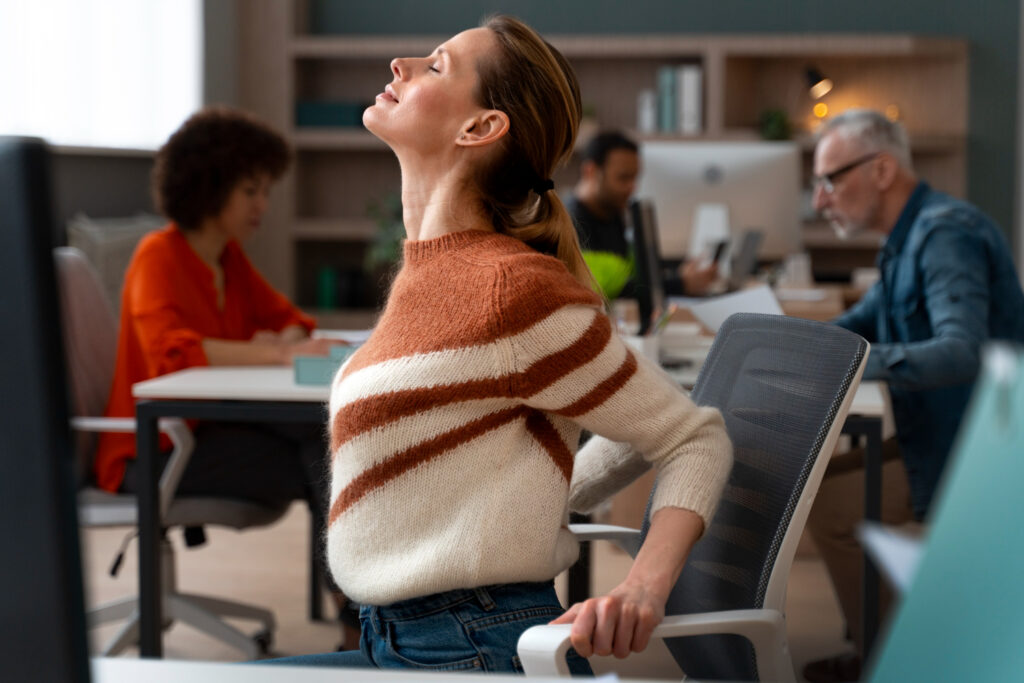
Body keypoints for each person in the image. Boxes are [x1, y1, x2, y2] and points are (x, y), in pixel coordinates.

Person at [267, 15, 733, 673]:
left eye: (436, 66)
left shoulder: (510, 289)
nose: (400, 64)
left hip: (469, 644)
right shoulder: (428, 270)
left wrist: (643, 586)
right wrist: (530, 499)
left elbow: (691, 436)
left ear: (480, 127)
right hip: (394, 637)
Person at [94, 106, 360, 647]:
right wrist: (275, 354)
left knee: (324, 441)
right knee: (325, 449)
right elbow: (173, 357)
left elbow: (292, 322)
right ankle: (353, 614)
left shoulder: (229, 260)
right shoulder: (157, 258)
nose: (263, 205)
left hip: (207, 432)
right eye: (250, 191)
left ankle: (352, 612)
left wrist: (273, 343)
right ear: (210, 189)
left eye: (264, 190)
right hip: (151, 452)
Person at [803, 108, 1024, 683]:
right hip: (946, 441)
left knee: (833, 503)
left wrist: (852, 366)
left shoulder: (944, 233)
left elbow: (962, 351)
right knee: (827, 496)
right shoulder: (905, 241)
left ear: (881, 170)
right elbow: (862, 321)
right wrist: (785, 348)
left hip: (981, 460)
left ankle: (906, 660)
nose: (820, 201)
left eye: (830, 180)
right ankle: (888, 652)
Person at [567, 131, 718, 298]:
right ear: (591, 171)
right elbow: (603, 290)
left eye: (634, 178)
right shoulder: (568, 224)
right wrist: (680, 284)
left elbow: (634, 277)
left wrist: (678, 276)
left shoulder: (613, 214)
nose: (632, 188)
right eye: (623, 178)